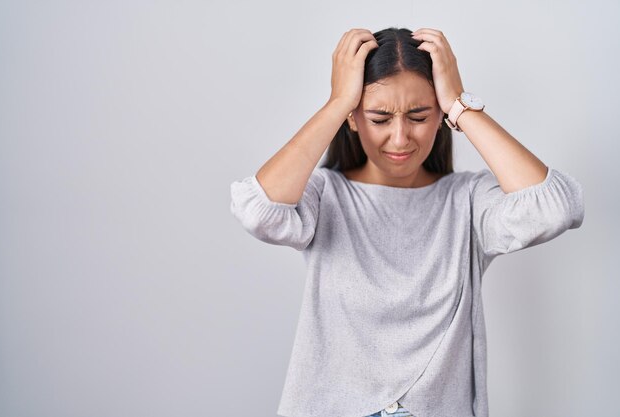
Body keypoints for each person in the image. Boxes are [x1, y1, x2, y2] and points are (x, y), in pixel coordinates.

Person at [229, 27, 585, 417]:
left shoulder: (466, 201)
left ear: (441, 117)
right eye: (379, 118)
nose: (400, 139)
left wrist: (460, 104)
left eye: (419, 115)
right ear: (353, 118)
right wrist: (337, 102)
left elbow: (556, 209)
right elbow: (257, 210)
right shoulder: (325, 195)